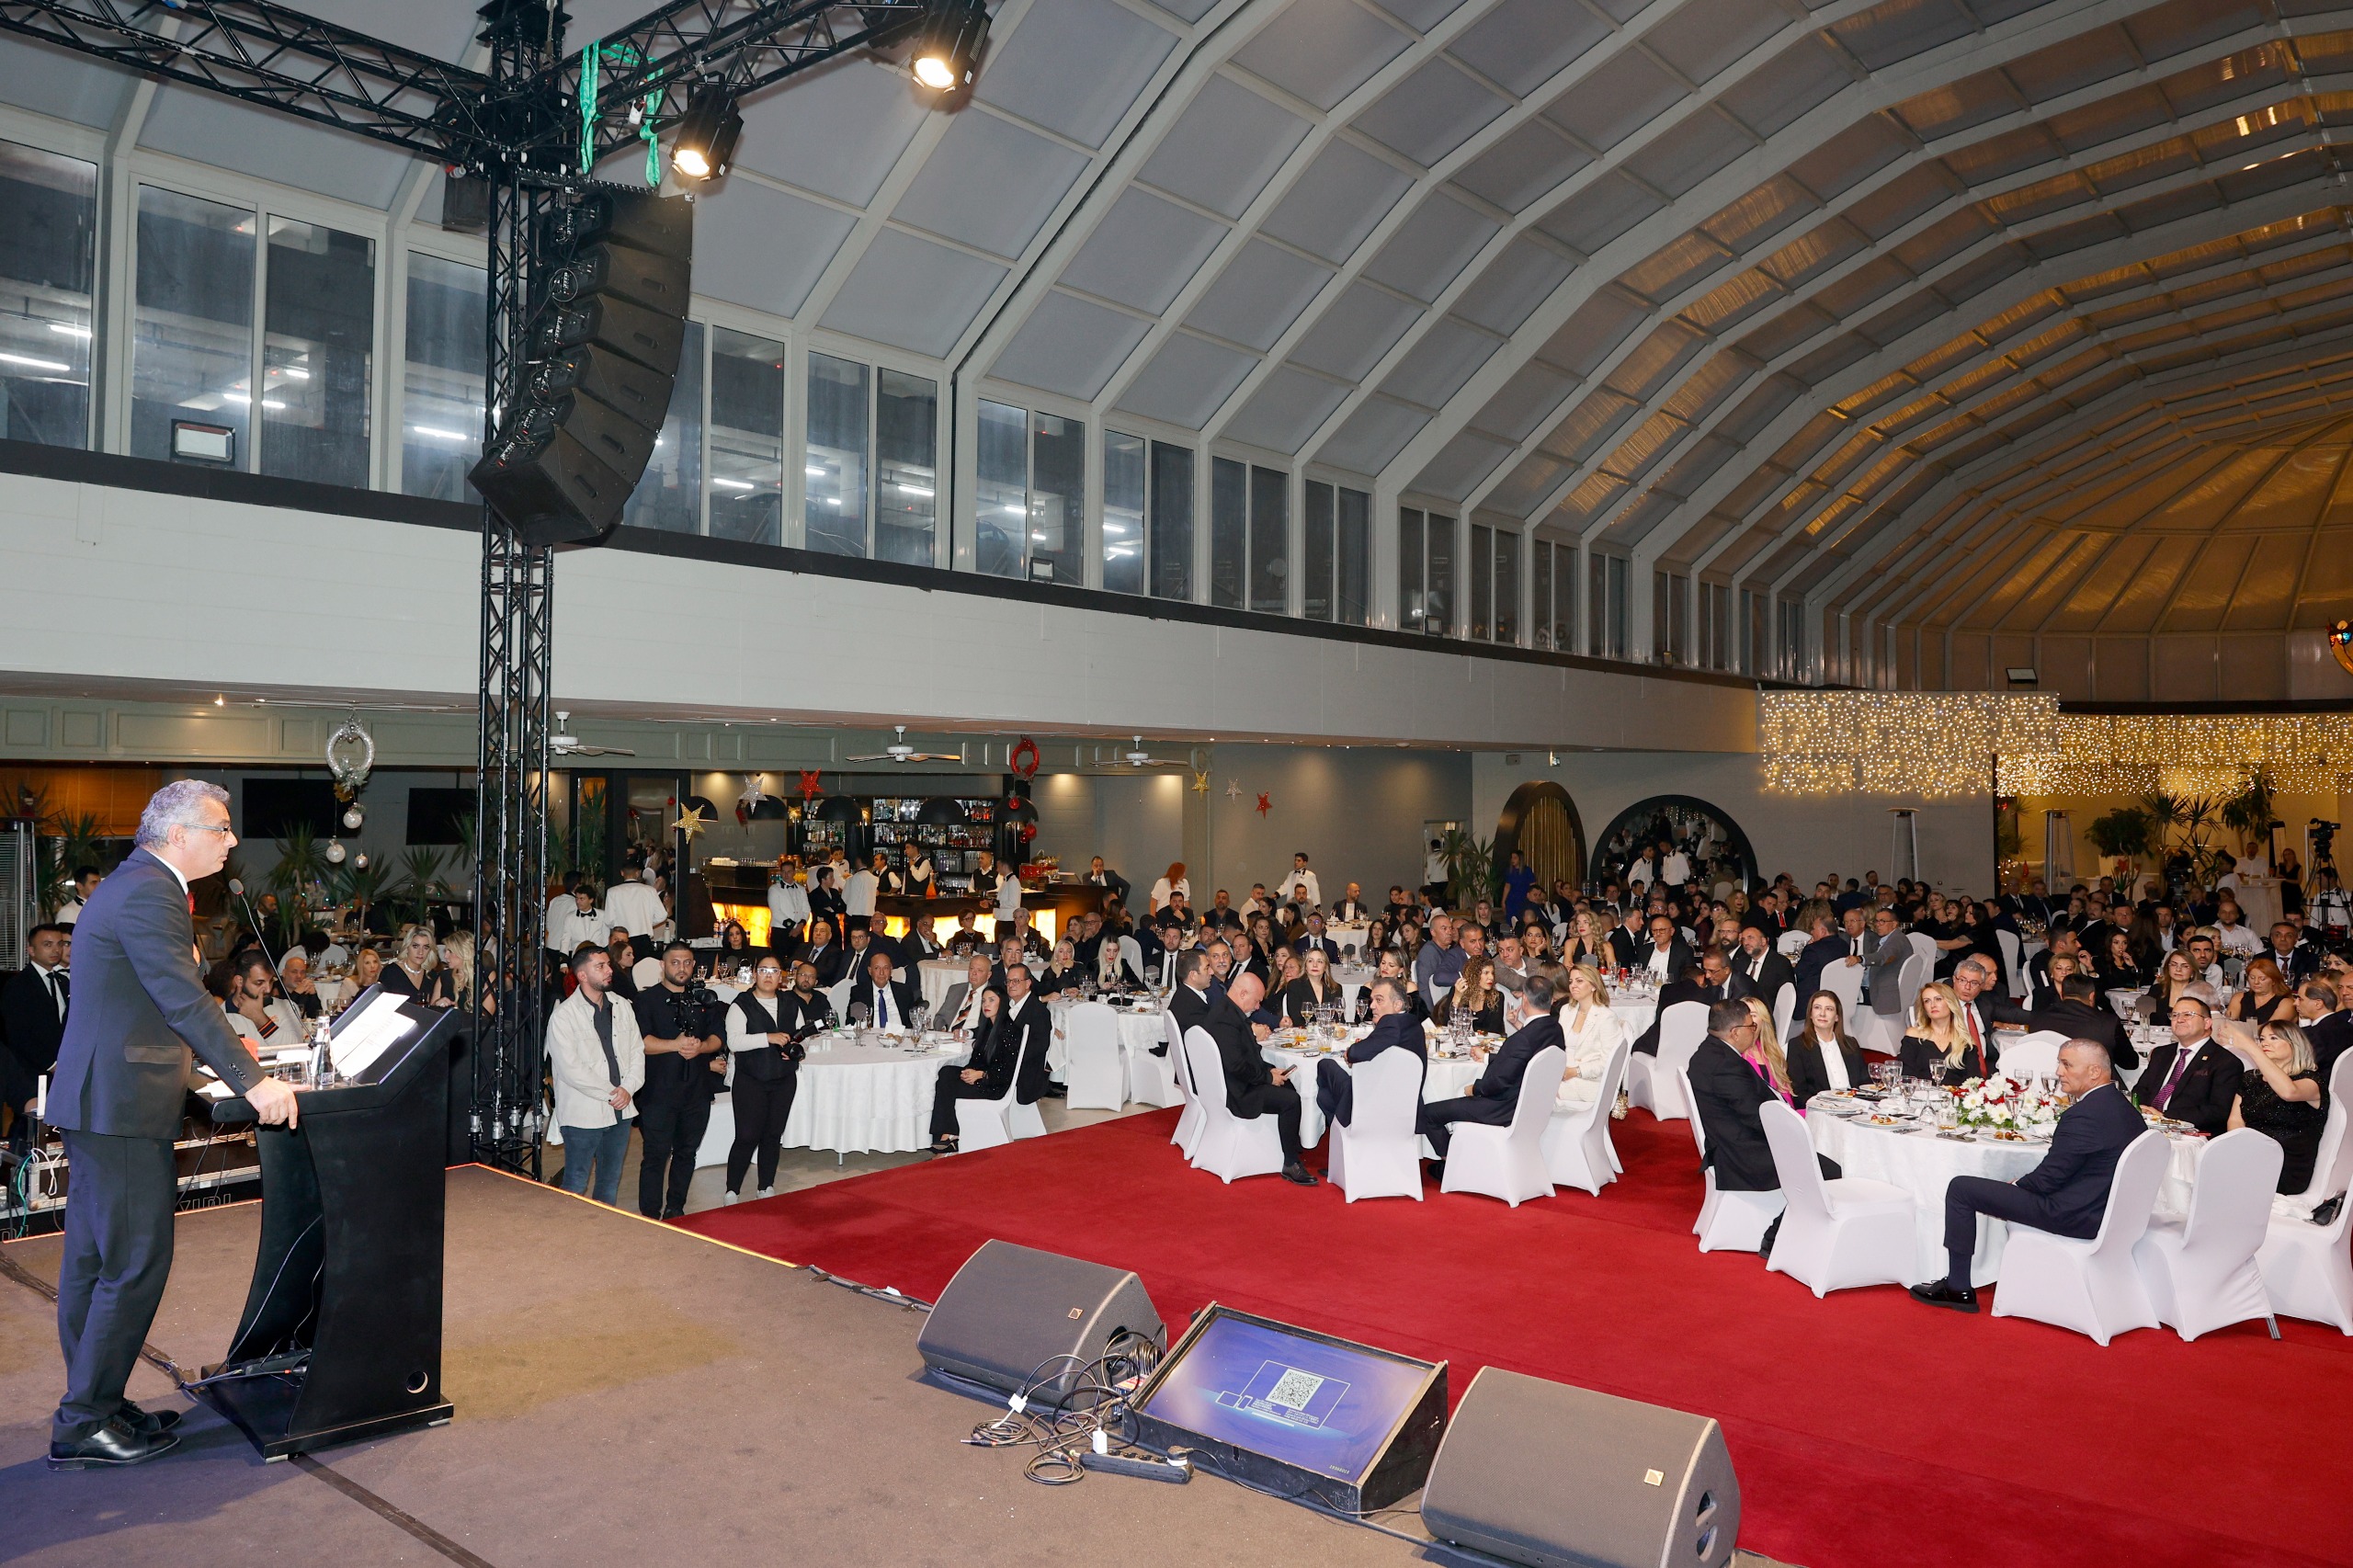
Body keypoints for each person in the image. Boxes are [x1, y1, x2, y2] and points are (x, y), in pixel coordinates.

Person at [43, 781, 301, 1470]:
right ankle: (83, 1422)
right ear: (179, 833)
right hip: (119, 1106)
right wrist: (254, 1082)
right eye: (222, 828)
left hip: (103, 1101)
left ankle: (95, 1400)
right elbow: (183, 1001)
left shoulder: (136, 887)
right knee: (134, 1263)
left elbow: (155, 996)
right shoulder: (150, 892)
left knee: (95, 1264)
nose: (232, 840)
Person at [1911, 1038, 2145, 1312]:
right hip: (2108, 1214)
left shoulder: (2084, 1115)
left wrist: (2017, 1184)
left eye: (2067, 1065)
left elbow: (2047, 1180)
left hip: (2072, 1215)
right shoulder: (2127, 1110)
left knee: (1961, 1189)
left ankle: (1957, 1286)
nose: (2058, 1072)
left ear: (2094, 1071)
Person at [1419, 971, 1565, 1173]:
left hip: (1502, 1108)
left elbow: (1498, 1083)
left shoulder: (1522, 1039)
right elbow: (1524, 1062)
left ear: (1524, 999)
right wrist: (1487, 1057)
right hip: (1530, 1105)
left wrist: (1474, 1089)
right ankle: (1466, 1153)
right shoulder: (1554, 1030)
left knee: (1429, 1113)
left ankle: (1452, 1165)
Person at [631, 941, 725, 1221]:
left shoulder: (705, 999)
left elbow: (718, 1038)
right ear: (663, 965)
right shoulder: (645, 1000)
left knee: (687, 1153)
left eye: (687, 963)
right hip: (658, 1093)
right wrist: (676, 1045)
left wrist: (702, 1047)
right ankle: (649, 1212)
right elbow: (640, 1043)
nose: (681, 968)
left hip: (697, 1091)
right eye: (675, 962)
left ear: (694, 965)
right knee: (655, 1156)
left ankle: (676, 1208)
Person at [548, 945, 642, 1208]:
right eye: (600, 966)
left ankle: (603, 1230)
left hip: (621, 1109)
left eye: (608, 964)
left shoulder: (623, 1006)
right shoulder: (564, 1016)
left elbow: (637, 1052)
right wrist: (613, 1093)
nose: (609, 970)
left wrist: (628, 1088)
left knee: (609, 1181)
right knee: (576, 1182)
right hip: (583, 1111)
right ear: (582, 975)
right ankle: (568, 1233)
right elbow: (571, 1069)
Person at [1201, 972, 1314, 1185]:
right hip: (1237, 1092)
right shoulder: (1226, 1020)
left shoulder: (1226, 1011)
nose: (1257, 1007)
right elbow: (1236, 1066)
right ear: (1243, 993)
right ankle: (1290, 1163)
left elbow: (1244, 1058)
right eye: (1256, 1001)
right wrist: (1267, 1078)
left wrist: (1270, 1072)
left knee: (1287, 1083)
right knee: (1291, 1100)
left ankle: (1290, 1142)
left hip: (1233, 1082)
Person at [927, 961, 1051, 1152]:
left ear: (1028, 983)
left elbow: (1027, 1053)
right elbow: (982, 1050)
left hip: (1006, 1080)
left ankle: (946, 1137)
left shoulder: (1031, 1015)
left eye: (1016, 981)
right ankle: (948, 1134)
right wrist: (972, 1069)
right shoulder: (995, 1020)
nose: (1011, 985)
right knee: (946, 1073)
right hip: (991, 1072)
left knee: (949, 1086)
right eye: (1008, 981)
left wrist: (982, 1074)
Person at [723, 956, 806, 1201]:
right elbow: (733, 1042)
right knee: (747, 1136)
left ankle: (766, 1186)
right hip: (751, 1079)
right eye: (763, 970)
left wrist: (795, 1050)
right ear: (754, 974)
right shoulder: (741, 1004)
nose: (768, 975)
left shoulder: (791, 1003)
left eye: (774, 971)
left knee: (773, 1135)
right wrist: (767, 1037)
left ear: (781, 977)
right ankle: (732, 1190)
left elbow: (801, 1035)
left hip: (783, 1079)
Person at [1313, 977, 1425, 1131]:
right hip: (1407, 1105)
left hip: (1376, 1102)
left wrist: (1350, 1053)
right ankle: (1340, 1121)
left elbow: (1357, 1053)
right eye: (1372, 1000)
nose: (1372, 1006)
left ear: (1397, 1005)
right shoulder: (1413, 1023)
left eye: (1379, 1000)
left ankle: (1342, 1126)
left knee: (1325, 1065)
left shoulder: (1391, 1022)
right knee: (1324, 1096)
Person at [2230, 1020, 2327, 1193]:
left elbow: (2289, 1092)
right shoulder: (2250, 1079)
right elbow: (2235, 1120)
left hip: (2286, 1165)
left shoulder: (2311, 1080)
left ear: (2294, 1044)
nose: (2265, 1043)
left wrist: (2250, 1047)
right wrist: (2242, 1146)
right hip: (2249, 1153)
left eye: (2273, 1038)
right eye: (2262, 1039)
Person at [3, 924, 72, 1150]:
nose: (56, 950)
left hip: (62, 1071)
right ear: (31, 950)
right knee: (28, 1129)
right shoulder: (18, 985)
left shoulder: (64, 982)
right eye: (47, 944)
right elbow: (18, 1034)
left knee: (57, 1131)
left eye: (60, 944)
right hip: (30, 1072)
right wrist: (51, 1064)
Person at [2135, 996, 2241, 1137]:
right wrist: (2142, 1109)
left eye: (2187, 1015)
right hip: (2146, 1127)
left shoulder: (2225, 1062)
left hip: (2189, 1134)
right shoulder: (2161, 1053)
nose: (2179, 1020)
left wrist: (2165, 1116)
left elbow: (2218, 1111)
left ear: (2207, 1023)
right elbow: (2141, 1089)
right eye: (2175, 1015)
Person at [2030, 972, 2134, 1071]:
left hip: (2050, 1078)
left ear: (2061, 995)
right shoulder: (2108, 1022)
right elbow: (2130, 1063)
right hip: (2092, 1081)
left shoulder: (2039, 1018)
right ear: (2091, 996)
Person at [1554, 964, 1625, 1108]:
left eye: (1579, 981)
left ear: (1593, 986)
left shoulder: (1606, 1017)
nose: (1573, 985)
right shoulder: (1566, 1011)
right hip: (1561, 1075)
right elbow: (1558, 1047)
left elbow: (1608, 1062)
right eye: (1571, 981)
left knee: (1538, 1092)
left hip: (1589, 1083)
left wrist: (1575, 1072)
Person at [1785, 989, 1868, 1103]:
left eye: (1829, 1009)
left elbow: (1865, 1084)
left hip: (1855, 1105)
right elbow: (1798, 1092)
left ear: (1837, 1017)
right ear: (1810, 1014)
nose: (1822, 1013)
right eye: (1817, 1008)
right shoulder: (1798, 1046)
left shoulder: (1851, 1044)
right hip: (1822, 1107)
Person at [221, 952, 301, 1047]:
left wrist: (260, 1019)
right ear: (240, 981)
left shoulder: (287, 1007)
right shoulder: (220, 1016)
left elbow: (296, 1048)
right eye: (259, 983)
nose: (268, 989)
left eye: (271, 981)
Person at [380, 923, 457, 1009]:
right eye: (415, 946)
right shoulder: (390, 973)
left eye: (426, 947)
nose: (420, 952)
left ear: (430, 950)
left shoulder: (431, 975)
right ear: (407, 947)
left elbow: (432, 1009)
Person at [603, 869, 667, 961]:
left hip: (622, 939)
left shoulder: (612, 891)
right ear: (638, 873)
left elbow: (609, 920)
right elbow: (662, 915)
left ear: (622, 873)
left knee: (621, 966)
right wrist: (646, 923)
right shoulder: (649, 890)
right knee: (643, 968)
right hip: (643, 939)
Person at [849, 949, 923, 1031]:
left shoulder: (904, 991)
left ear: (891, 970)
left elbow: (912, 1022)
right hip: (871, 1036)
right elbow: (853, 1024)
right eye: (877, 968)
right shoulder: (859, 993)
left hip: (900, 1035)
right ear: (870, 971)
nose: (882, 973)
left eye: (886, 968)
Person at [1730, 924, 1794, 1016]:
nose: (1746, 943)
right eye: (1743, 939)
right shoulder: (1741, 961)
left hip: (1766, 1013)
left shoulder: (1780, 963)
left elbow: (1785, 996)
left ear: (1763, 941)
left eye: (1750, 938)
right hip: (1740, 1012)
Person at [1433, 956, 1506, 1035]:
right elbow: (1447, 1024)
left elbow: (1494, 1030)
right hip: (1462, 1040)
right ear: (1474, 975)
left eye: (1492, 973)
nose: (1491, 977)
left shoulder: (1497, 997)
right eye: (1486, 973)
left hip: (1487, 1041)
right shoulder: (1458, 991)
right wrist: (1457, 997)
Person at [2295, 977, 2350, 1077]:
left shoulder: (2319, 1034)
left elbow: (2305, 1065)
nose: (2295, 1003)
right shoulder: (2345, 1026)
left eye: (2300, 999)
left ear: (2318, 1004)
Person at [1279, 946, 1343, 1023]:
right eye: (1310, 961)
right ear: (1305, 966)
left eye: (1320, 961)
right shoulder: (1295, 986)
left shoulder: (1335, 988)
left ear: (1325, 967)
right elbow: (1296, 1019)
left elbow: (1339, 1020)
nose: (1315, 965)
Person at [2230, 957, 2295, 1028]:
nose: (2256, 982)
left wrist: (2238, 1030)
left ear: (2274, 981)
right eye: (2252, 977)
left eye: (2262, 979)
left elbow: (2270, 1028)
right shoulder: (2239, 997)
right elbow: (2229, 1023)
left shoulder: (2286, 1003)